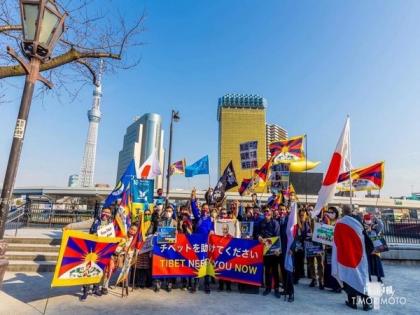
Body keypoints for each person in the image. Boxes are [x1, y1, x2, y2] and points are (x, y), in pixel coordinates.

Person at [336, 205, 373, 311]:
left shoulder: (339, 223)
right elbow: (365, 237)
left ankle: (352, 303)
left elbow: (336, 241)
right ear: (351, 211)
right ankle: (367, 304)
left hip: (347, 255)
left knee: (349, 278)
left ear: (342, 212)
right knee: (363, 278)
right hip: (360, 255)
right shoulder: (358, 222)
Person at [81, 207, 113, 301]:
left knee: (99, 270)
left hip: (103, 251)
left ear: (110, 214)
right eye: (104, 212)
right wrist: (68, 227)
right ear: (101, 212)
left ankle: (96, 288)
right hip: (92, 249)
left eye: (108, 212)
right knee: (88, 269)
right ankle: (85, 290)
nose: (105, 214)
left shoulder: (111, 224)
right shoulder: (94, 220)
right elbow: (81, 224)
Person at [191, 188, 213, 293]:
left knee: (207, 264)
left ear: (209, 210)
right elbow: (194, 207)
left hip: (207, 244)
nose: (205, 209)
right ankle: (195, 284)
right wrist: (193, 196)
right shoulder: (198, 217)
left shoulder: (211, 219)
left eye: (206, 208)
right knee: (197, 263)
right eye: (203, 208)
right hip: (198, 244)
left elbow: (213, 230)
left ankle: (207, 284)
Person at [257, 207, 281, 298]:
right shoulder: (261, 222)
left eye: (268, 211)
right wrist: (259, 236)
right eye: (265, 211)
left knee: (275, 270)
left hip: (274, 249)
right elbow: (258, 233)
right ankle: (268, 288)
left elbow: (277, 236)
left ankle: (277, 288)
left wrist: (276, 249)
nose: (266, 212)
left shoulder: (275, 223)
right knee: (267, 270)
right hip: (265, 249)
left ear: (271, 212)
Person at [154, 205, 177, 292]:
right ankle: (158, 283)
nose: (168, 212)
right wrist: (157, 233)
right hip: (161, 246)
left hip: (170, 247)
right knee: (160, 264)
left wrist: (176, 233)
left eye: (170, 211)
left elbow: (176, 233)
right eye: (167, 210)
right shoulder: (160, 221)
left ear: (172, 212)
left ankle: (169, 283)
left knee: (169, 265)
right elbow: (157, 231)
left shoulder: (175, 222)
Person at [134, 209, 154, 289]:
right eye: (145, 214)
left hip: (148, 248)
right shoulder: (138, 224)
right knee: (138, 266)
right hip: (139, 247)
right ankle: (138, 282)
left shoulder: (152, 224)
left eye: (149, 214)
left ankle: (145, 283)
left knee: (146, 266)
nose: (147, 216)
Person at [322, 207, 341, 292]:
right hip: (329, 248)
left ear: (336, 213)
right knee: (329, 266)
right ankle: (330, 285)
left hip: (336, 249)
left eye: (332, 212)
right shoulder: (327, 221)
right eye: (328, 212)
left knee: (336, 267)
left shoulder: (339, 222)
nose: (330, 213)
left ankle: (338, 286)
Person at [363, 213, 385, 283]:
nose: (368, 221)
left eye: (369, 219)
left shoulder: (374, 227)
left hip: (376, 246)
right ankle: (368, 277)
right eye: (366, 219)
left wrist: (376, 218)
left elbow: (381, 225)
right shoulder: (362, 227)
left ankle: (379, 278)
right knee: (367, 263)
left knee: (377, 262)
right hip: (366, 246)